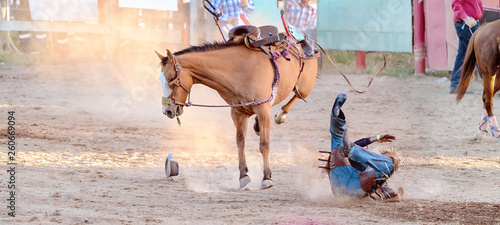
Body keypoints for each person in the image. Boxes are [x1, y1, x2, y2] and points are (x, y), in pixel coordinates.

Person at [324, 92, 402, 201]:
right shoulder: (375, 172)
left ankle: (337, 118)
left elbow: (390, 195)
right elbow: (358, 145)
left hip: (344, 183)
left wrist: (395, 195)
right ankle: (337, 116)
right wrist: (376, 138)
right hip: (350, 183)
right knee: (392, 161)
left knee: (338, 137)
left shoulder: (375, 174)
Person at [449, 0, 483, 94]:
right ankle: (489, 84)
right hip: (467, 24)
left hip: (469, 24)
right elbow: (455, 3)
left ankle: (455, 85)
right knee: (477, 53)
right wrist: (466, 19)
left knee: (463, 54)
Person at [285, 0, 321, 68]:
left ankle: (309, 57)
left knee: (311, 32)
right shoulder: (290, 3)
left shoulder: (312, 11)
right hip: (288, 31)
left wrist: (300, 30)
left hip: (302, 34)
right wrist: (292, 29)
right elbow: (285, 17)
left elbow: (311, 25)